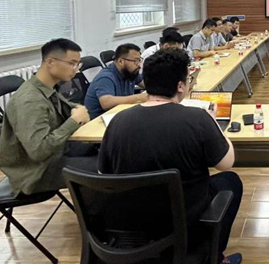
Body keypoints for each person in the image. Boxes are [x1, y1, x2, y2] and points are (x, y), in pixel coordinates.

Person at [98, 48, 243, 264]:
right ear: (180, 86)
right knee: (230, 181)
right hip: (184, 223)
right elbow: (226, 163)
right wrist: (214, 122)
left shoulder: (118, 120)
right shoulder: (198, 118)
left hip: (131, 226)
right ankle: (213, 255)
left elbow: (104, 173)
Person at [0, 39, 97, 195]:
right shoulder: (30, 100)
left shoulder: (46, 87)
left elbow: (62, 108)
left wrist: (77, 110)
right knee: (107, 165)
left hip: (56, 155)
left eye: (78, 64)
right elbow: (39, 151)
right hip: (36, 174)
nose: (76, 70)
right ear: (50, 62)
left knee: (109, 149)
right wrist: (74, 121)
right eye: (72, 64)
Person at [85, 44, 147, 119]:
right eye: (135, 61)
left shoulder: (130, 72)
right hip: (101, 120)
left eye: (139, 60)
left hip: (120, 114)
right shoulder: (106, 77)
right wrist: (139, 97)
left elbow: (146, 84)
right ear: (121, 61)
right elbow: (106, 103)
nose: (139, 65)